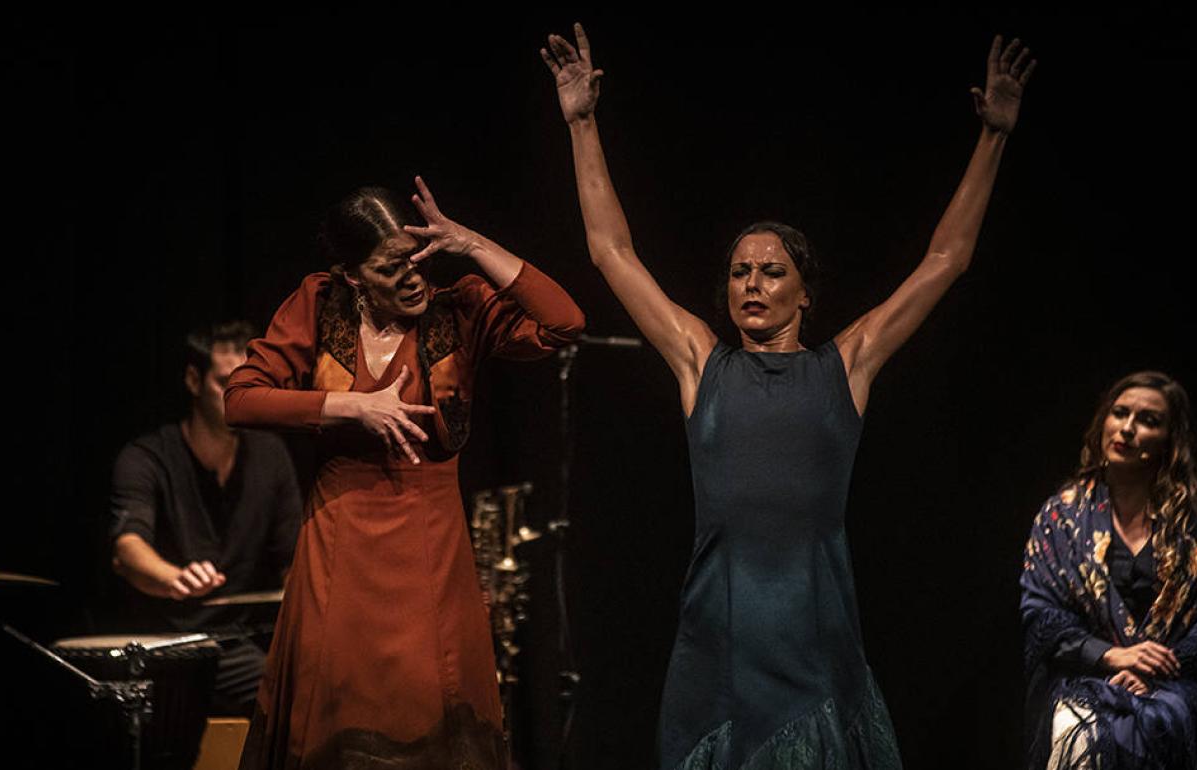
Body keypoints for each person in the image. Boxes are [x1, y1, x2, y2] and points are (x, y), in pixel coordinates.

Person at [542, 24, 1034, 769]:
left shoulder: (847, 366)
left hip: (813, 626)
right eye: (740, 272)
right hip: (720, 629)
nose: (752, 284)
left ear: (805, 293)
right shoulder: (700, 362)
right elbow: (612, 252)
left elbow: (946, 258)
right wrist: (581, 122)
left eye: (772, 272)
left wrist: (993, 135)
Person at [225, 177, 584, 769]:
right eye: (391, 268)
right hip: (339, 546)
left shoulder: (460, 310)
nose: (413, 277)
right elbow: (240, 400)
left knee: (431, 709)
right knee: (333, 714)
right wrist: (349, 406)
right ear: (353, 275)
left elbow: (564, 322)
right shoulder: (320, 303)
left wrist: (472, 245)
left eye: (418, 260)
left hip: (429, 548)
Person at [1020, 372, 1197, 770]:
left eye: (1148, 421)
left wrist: (1156, 668)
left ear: (1171, 441)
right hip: (1091, 676)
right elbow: (1042, 613)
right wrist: (1112, 656)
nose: (1127, 428)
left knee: (1168, 719)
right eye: (1119, 413)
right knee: (1077, 728)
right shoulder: (1062, 518)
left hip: (1180, 681)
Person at [110, 320, 304, 716]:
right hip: (164, 641)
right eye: (225, 383)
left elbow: (293, 561)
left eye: (249, 385)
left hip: (234, 641)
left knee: (316, 687)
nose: (239, 397)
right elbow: (127, 547)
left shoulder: (270, 455)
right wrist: (175, 578)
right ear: (193, 380)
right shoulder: (147, 458)